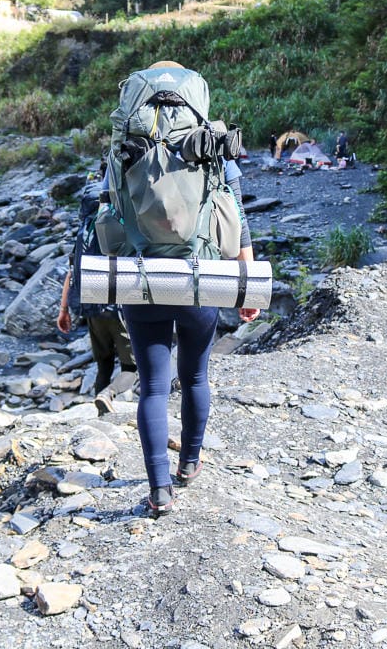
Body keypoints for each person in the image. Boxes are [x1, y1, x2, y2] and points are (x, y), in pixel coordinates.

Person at [117, 61, 260, 517]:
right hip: (202, 276)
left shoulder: (127, 143)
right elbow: (237, 213)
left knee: (153, 387)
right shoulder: (211, 141)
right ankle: (190, 463)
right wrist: (246, 285)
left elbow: (105, 212)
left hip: (141, 278)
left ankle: (160, 489)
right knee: (196, 375)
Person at [57, 167, 137, 416]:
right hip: (118, 306)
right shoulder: (117, 226)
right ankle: (108, 394)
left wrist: (63, 309)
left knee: (103, 363)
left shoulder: (83, 232)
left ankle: (98, 414)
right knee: (131, 368)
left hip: (90, 304)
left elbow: (72, 271)